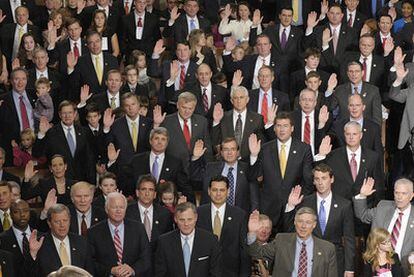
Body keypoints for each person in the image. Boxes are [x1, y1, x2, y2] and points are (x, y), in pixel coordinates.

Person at [284, 164, 355, 276]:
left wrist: (349, 268)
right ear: (313, 181)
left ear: (332, 179)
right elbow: (289, 230)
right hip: (308, 259)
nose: (320, 182)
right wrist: (291, 206)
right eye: (317, 179)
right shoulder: (304, 202)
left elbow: (349, 238)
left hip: (335, 260)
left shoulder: (344, 205)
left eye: (324, 178)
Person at [248, 112, 313, 233]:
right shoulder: (264, 149)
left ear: (292, 128)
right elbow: (253, 177)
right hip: (269, 209)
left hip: (293, 208)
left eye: (285, 126)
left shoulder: (304, 149)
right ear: (274, 128)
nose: (281, 129)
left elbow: (308, 181)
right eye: (278, 125)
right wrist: (253, 156)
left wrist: (298, 203)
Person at [247, 207, 338, 276]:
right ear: (294, 222)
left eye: (308, 222)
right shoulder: (281, 240)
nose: (303, 226)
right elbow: (257, 252)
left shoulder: (327, 248)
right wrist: (251, 232)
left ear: (314, 225)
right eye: (300, 221)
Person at [109, 126, 192, 199]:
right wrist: (112, 162)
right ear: (150, 141)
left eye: (163, 139)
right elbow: (124, 181)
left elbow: (184, 186)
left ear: (167, 143)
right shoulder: (137, 160)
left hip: (165, 208)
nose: (159, 142)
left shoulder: (175, 162)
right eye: (156, 138)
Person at [353, 177, 414, 275]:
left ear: (411, 196)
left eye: (404, 193)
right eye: (397, 193)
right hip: (377, 269)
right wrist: (362, 195)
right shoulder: (383, 207)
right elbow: (362, 215)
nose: (399, 197)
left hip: (406, 271)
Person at [87, 192, 151, 276]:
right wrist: (110, 270)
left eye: (121, 207)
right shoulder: (93, 232)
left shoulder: (138, 228)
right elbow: (90, 262)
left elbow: (146, 258)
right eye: (114, 207)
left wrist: (132, 270)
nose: (118, 211)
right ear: (106, 209)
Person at [196, 176, 249, 277]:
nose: (218, 194)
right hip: (203, 271)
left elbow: (243, 249)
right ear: (209, 191)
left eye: (222, 190)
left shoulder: (239, 215)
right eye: (215, 190)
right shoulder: (198, 213)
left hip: (231, 271)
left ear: (228, 192)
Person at [33, 101, 96, 183]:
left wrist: (92, 183)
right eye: (64, 113)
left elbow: (90, 160)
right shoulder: (51, 133)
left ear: (75, 114)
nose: (67, 116)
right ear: (59, 115)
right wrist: (41, 134)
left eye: (70, 112)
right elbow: (37, 154)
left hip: (82, 183)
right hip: (60, 183)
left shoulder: (85, 132)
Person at [190, 137, 259, 212]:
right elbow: (195, 178)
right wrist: (196, 157)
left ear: (238, 152)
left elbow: (254, 197)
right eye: (226, 149)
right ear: (221, 153)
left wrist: (254, 215)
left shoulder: (247, 169)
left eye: (233, 149)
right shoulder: (210, 168)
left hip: (239, 217)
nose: (229, 152)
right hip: (212, 215)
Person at [154, 202, 223, 276]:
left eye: (189, 219)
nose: (186, 224)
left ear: (196, 218)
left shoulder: (210, 240)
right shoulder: (164, 242)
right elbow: (160, 273)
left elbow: (216, 273)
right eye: (182, 220)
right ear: (175, 219)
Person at [27, 204, 94, 276]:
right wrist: (33, 254)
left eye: (65, 220)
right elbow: (29, 274)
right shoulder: (39, 244)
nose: (62, 225)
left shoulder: (81, 242)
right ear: (49, 223)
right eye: (57, 222)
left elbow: (89, 272)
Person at [126, 175, 174, 275]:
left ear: (155, 194)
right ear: (137, 192)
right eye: (143, 189)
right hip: (132, 267)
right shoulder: (127, 212)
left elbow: (168, 242)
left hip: (157, 268)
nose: (147, 193)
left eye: (151, 190)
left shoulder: (165, 214)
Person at [160, 92, 212, 171]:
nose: (187, 111)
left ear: (194, 108)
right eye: (184, 107)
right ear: (177, 105)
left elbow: (207, 148)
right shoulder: (166, 121)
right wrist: (156, 124)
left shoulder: (202, 121)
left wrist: (208, 169)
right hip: (173, 169)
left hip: (196, 169)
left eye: (190, 108)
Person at [212, 85, 265, 161]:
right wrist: (216, 122)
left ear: (247, 99)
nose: (239, 101)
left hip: (248, 164)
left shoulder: (257, 119)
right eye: (235, 98)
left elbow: (261, 144)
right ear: (231, 101)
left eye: (241, 97)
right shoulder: (223, 117)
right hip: (226, 162)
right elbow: (214, 142)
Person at [103, 93, 156, 167]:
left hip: (145, 167)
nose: (130, 108)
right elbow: (108, 145)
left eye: (133, 104)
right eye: (127, 105)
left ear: (138, 105)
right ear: (123, 108)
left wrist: (156, 125)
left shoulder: (149, 123)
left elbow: (154, 145)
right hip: (123, 169)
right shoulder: (115, 125)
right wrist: (106, 128)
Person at [67, 30, 119, 101]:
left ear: (101, 41)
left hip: (109, 102)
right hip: (90, 104)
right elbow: (75, 85)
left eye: (97, 41)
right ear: (87, 45)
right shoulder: (81, 61)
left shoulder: (112, 60)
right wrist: (70, 68)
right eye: (91, 42)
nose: (95, 45)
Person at [326, 61, 382, 126]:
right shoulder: (340, 90)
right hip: (344, 130)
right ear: (347, 73)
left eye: (357, 71)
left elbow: (377, 118)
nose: (354, 74)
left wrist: (375, 134)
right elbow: (329, 107)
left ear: (362, 73)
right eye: (351, 71)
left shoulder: (373, 90)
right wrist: (329, 90)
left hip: (366, 131)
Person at [0, 68, 36, 166]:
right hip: (12, 149)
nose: (20, 82)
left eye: (23, 79)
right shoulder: (3, 100)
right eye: (16, 79)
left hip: (35, 149)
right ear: (11, 81)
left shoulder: (35, 96)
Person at [0, 200, 37, 277]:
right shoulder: (2, 239)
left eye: (26, 211)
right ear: (10, 214)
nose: (22, 214)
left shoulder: (41, 237)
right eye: (17, 212)